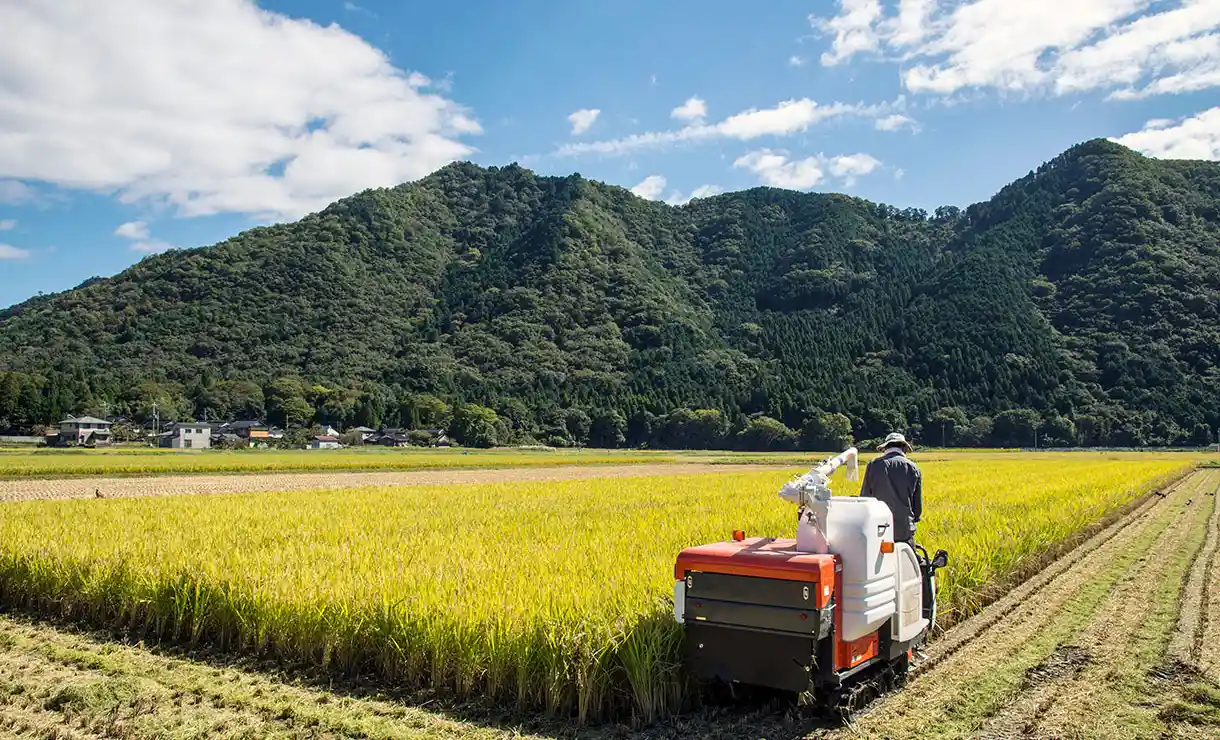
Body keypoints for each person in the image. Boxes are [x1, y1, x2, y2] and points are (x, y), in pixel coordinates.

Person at [859, 432, 922, 548]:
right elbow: (917, 508)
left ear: (886, 448)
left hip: (878, 527)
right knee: (908, 561)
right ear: (904, 448)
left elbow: (865, 498)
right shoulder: (913, 468)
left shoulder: (873, 465)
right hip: (904, 529)